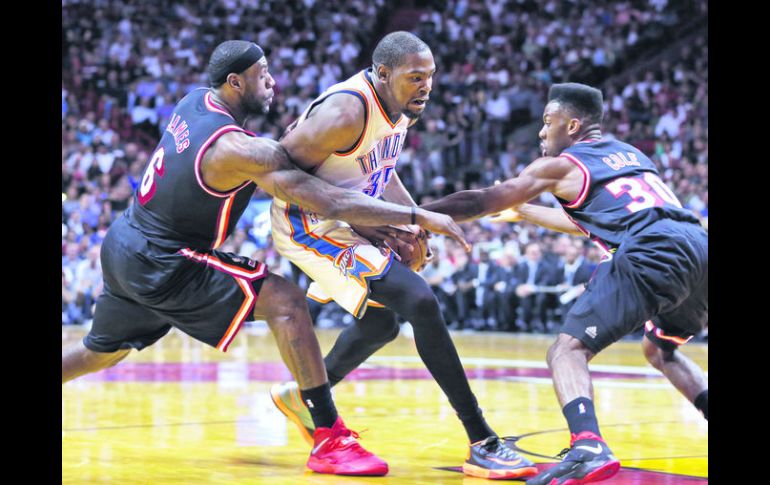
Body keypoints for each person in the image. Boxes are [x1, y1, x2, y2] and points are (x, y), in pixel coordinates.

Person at [61, 40, 472, 477]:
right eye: (262, 75)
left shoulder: (194, 101)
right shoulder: (240, 149)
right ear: (235, 82)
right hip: (165, 258)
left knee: (99, 353)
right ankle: (329, 438)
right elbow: (328, 200)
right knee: (287, 301)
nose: (273, 82)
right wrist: (414, 215)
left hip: (123, 242)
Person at [268, 31, 537, 480]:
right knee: (419, 300)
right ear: (383, 73)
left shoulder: (400, 107)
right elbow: (278, 172)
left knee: (381, 324)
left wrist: (409, 222)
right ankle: (482, 440)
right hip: (307, 223)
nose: (426, 86)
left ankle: (305, 397)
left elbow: (381, 170)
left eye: (430, 76)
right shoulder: (345, 113)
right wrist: (368, 221)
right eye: (416, 77)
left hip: (349, 213)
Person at [422, 82, 708, 485]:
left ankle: (588, 447)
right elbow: (589, 222)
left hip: (651, 249)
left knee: (566, 350)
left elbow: (480, 201)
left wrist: (414, 214)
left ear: (572, 125)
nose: (541, 131)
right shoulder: (631, 155)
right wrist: (526, 212)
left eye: (547, 121)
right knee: (661, 351)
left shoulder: (562, 165)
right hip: (698, 248)